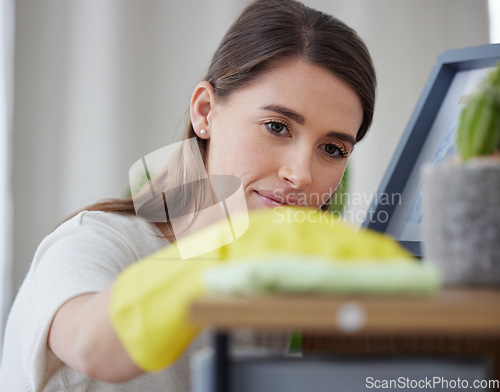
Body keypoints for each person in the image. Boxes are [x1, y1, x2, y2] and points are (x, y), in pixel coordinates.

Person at [0, 0, 376, 390]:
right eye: (276, 126)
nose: (300, 174)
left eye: (333, 149)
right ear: (204, 112)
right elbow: (94, 347)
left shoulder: (272, 291)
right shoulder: (95, 242)